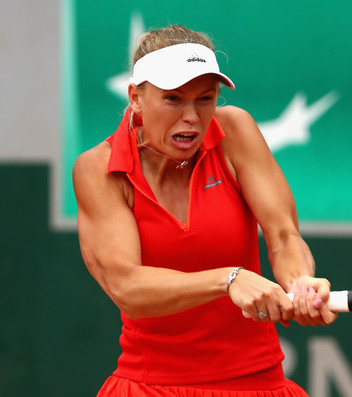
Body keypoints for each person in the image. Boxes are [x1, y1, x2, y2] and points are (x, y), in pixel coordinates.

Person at [73, 24, 337, 397]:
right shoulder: (97, 169)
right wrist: (229, 280)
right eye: (174, 99)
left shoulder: (235, 131)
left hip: (258, 383)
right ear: (135, 97)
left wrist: (299, 283)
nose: (192, 117)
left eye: (205, 98)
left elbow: (283, 235)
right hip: (150, 387)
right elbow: (126, 287)